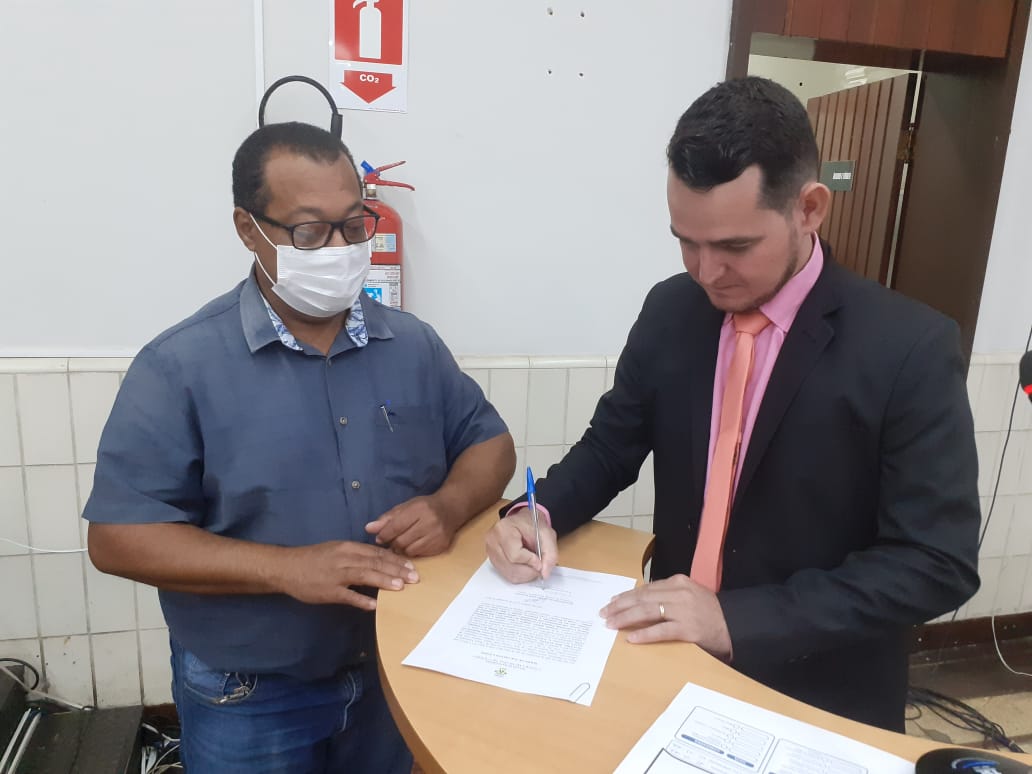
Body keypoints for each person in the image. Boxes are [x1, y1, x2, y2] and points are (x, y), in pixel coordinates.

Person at [485, 76, 979, 732]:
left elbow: (936, 561)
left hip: (820, 695)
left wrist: (737, 619)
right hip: (670, 664)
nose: (705, 271)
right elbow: (609, 447)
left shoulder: (907, 347)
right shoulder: (673, 310)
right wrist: (536, 511)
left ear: (809, 209)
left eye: (735, 247)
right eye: (686, 241)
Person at [85, 121, 515, 773]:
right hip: (250, 694)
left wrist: (449, 506)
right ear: (248, 228)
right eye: (310, 232)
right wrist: (284, 569)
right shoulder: (179, 367)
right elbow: (118, 537)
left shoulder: (412, 345)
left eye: (354, 225)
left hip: (396, 664)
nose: (340, 249)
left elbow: (490, 444)